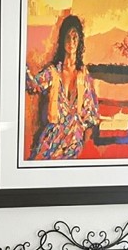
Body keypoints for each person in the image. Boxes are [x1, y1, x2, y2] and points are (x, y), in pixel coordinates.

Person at [25, 13, 99, 160]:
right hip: (52, 138)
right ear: (62, 40)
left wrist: (82, 132)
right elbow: (33, 86)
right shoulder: (53, 72)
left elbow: (92, 112)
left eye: (75, 37)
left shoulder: (83, 75)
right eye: (67, 37)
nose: (71, 42)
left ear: (79, 41)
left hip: (74, 141)